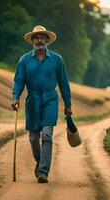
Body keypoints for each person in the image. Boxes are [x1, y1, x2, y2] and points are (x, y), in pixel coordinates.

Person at [11, 25, 72, 183]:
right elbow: (19, 81)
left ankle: (44, 171)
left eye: (42, 38)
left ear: (47, 41)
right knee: (33, 138)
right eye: (36, 38)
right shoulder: (24, 60)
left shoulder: (57, 60)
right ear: (32, 41)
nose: (39, 40)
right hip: (32, 100)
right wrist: (15, 97)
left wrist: (68, 104)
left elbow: (64, 83)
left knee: (46, 135)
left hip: (50, 100)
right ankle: (40, 161)